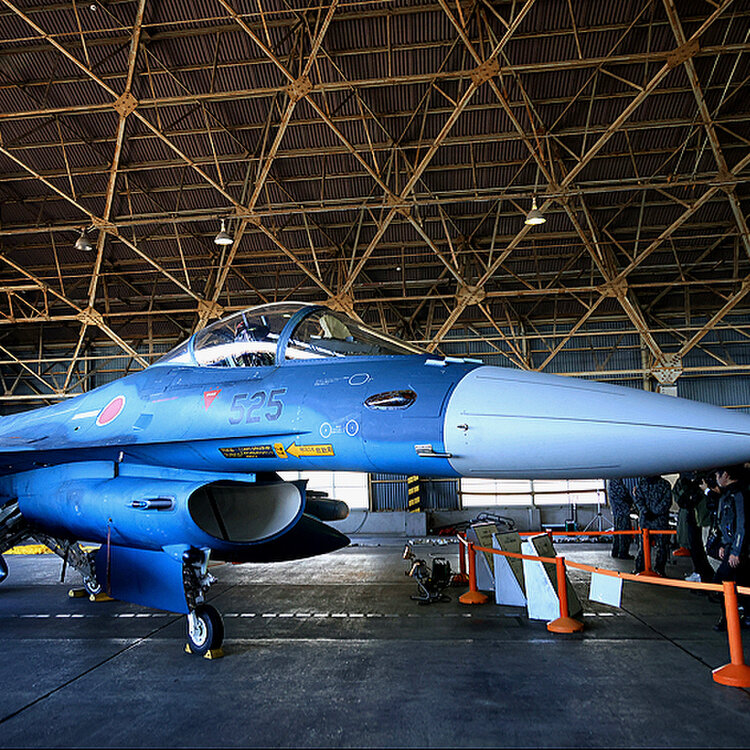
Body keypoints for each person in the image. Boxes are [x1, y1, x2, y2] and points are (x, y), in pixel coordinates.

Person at [712, 465, 750, 630]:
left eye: (717, 476)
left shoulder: (738, 495)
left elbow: (742, 525)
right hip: (731, 546)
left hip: (737, 549)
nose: (716, 479)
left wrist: (736, 551)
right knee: (740, 581)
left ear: (725, 475)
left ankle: (731, 617)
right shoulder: (728, 495)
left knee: (721, 581)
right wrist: (722, 543)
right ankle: (740, 616)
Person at [674, 472, 715, 583]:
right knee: (697, 549)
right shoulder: (688, 483)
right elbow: (682, 501)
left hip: (704, 521)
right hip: (696, 520)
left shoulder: (705, 484)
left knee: (705, 551)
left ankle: (707, 577)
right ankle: (701, 574)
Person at [633, 475, 672, 575]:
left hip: (659, 521)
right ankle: (640, 568)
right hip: (647, 521)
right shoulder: (642, 484)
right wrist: (646, 512)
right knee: (643, 546)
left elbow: (667, 501)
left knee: (662, 546)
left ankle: (659, 570)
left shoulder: (664, 484)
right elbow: (638, 499)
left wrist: (654, 512)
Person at [606, 478, 634, 559]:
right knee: (624, 532)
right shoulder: (615, 481)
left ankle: (616, 551)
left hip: (617, 512)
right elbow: (623, 494)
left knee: (618, 532)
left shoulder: (611, 481)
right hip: (622, 511)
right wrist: (631, 500)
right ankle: (623, 553)